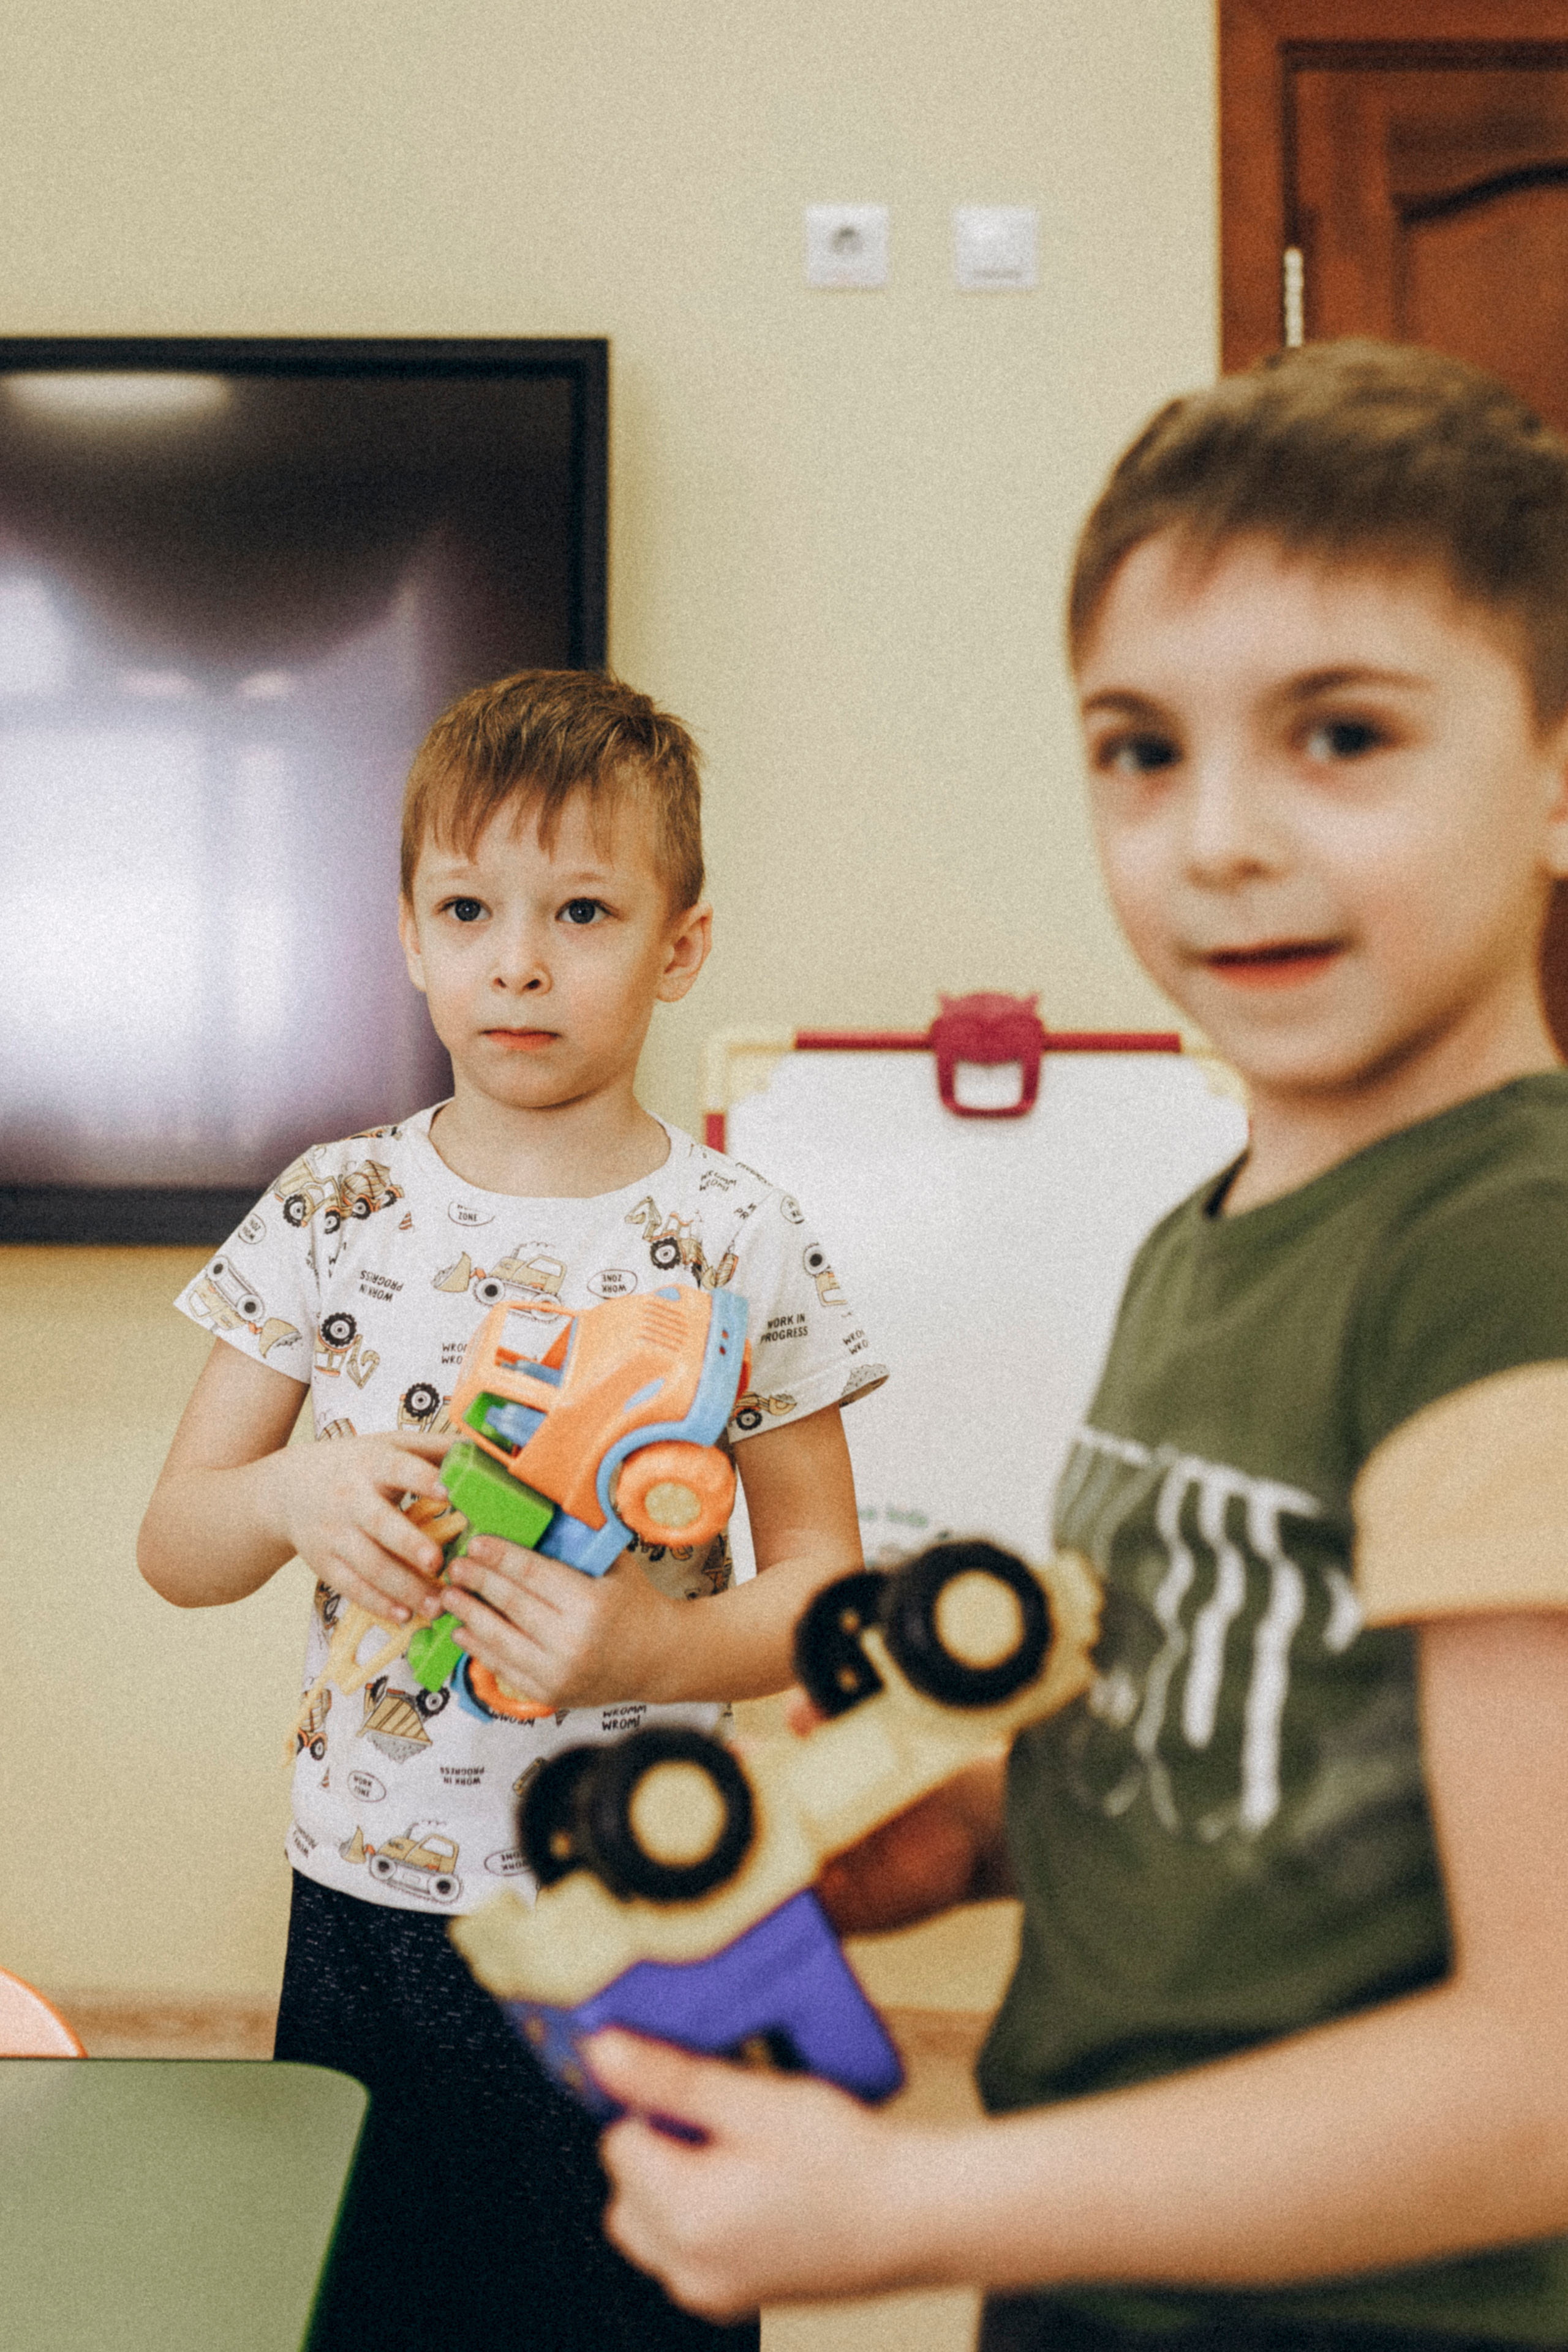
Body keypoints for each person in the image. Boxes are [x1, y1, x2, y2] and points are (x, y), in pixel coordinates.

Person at [587, 340, 1568, 2351]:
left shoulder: (1508, 1263)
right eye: (1141, 748)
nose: (1215, 836)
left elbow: (1538, 2073)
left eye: (1344, 736)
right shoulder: (1198, 1244)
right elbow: (1270, 1764)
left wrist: (916, 2204)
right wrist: (973, 1837)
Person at [137, 668, 885, 2352]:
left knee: (634, 2305)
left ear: (680, 946)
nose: (520, 960)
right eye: (470, 908)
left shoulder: (738, 1233)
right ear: (409, 934)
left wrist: (658, 1638)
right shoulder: (331, 1209)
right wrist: (286, 1491)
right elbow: (177, 1544)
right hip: (371, 1906)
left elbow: (834, 1587)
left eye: (584, 911)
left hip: (647, 1896)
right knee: (371, 2297)